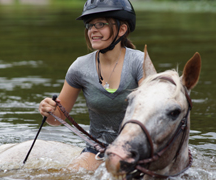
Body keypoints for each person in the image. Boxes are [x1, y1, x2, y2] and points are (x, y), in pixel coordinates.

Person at [39, 0, 144, 171]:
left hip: (138, 149)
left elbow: (152, 108)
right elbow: (56, 119)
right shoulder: (79, 68)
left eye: (101, 24)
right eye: (90, 25)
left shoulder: (139, 62)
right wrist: (48, 109)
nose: (93, 30)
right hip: (98, 149)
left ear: (122, 29)